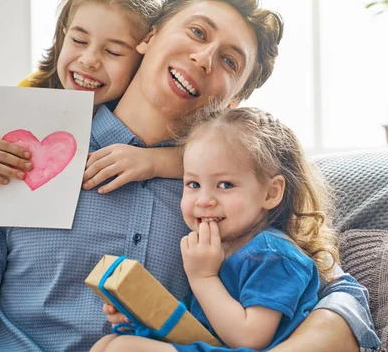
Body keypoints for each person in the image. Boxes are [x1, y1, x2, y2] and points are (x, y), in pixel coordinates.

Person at [0, 0, 380, 352]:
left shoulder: (228, 197)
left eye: (228, 61)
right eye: (197, 33)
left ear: (236, 98)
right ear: (149, 37)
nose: (203, 58)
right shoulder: (21, 154)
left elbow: (337, 293)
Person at [0, 0, 182, 223]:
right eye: (79, 40)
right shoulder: (5, 106)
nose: (88, 60)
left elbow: (214, 153)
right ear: (63, 35)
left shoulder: (150, 114)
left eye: (113, 51)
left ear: (144, 56)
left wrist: (156, 161)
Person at [91, 106, 344, 352]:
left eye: (224, 185)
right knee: (107, 344)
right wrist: (146, 316)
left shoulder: (274, 254)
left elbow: (249, 337)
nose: (204, 200)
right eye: (193, 184)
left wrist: (203, 278)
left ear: (271, 192)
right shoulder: (217, 250)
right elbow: (203, 330)